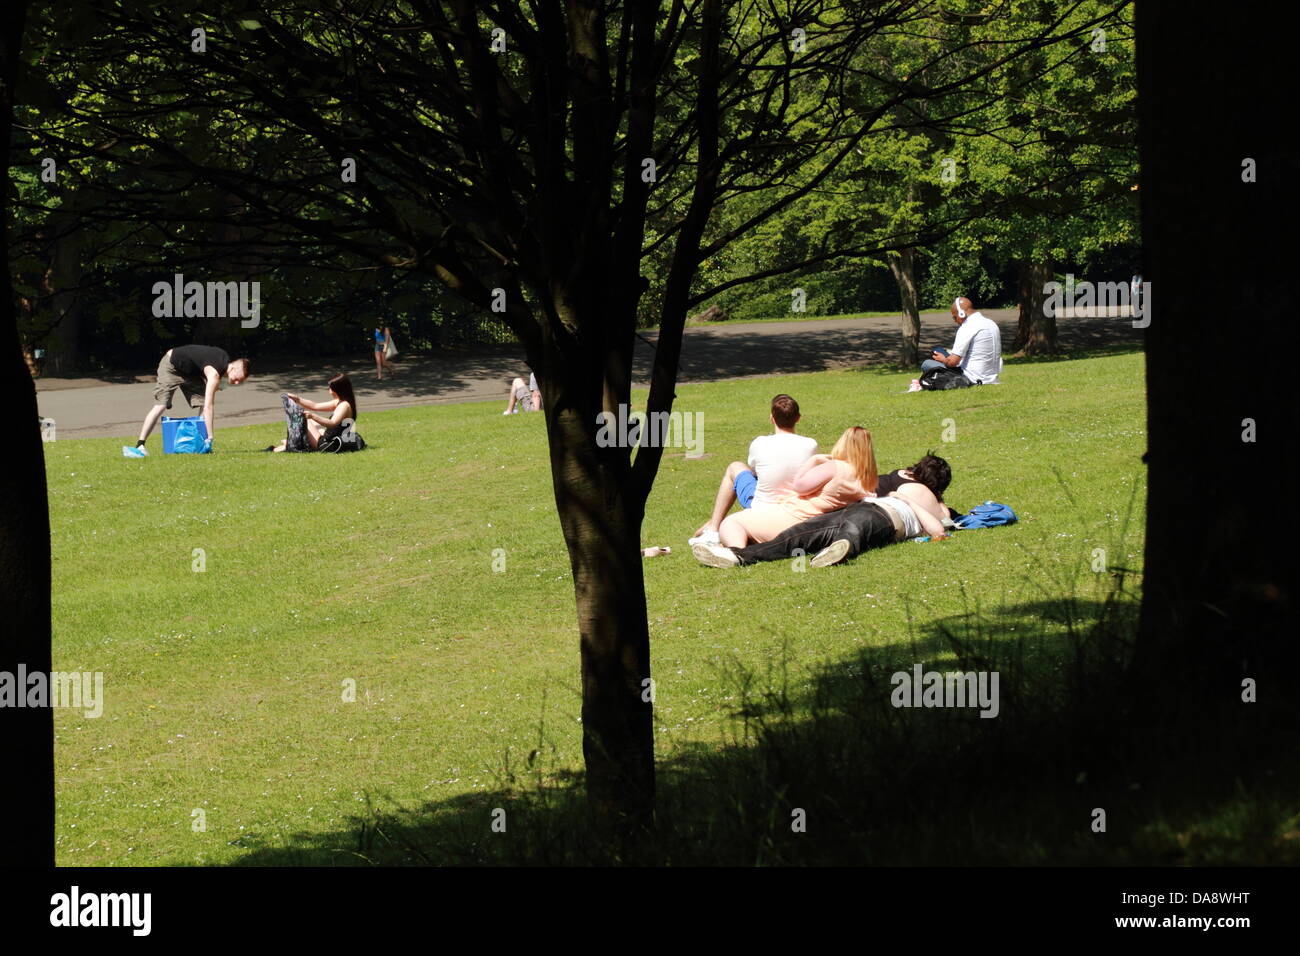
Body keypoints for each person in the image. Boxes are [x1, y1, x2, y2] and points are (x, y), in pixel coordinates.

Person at [692, 454, 955, 569]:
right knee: (799, 536)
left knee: (853, 529)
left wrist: (904, 499)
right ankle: (737, 557)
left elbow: (938, 530)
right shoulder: (919, 493)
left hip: (881, 516)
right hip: (858, 508)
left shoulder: (908, 492)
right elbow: (942, 522)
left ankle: (840, 549)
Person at [713, 425, 877, 548]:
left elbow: (799, 486)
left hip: (794, 516)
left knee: (731, 523)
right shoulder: (868, 478)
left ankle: (738, 553)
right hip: (813, 523)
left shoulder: (835, 466)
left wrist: (813, 461)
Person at [689, 393, 818, 546]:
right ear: (798, 418)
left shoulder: (760, 443)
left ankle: (714, 528)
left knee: (735, 467)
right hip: (796, 506)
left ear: (772, 418)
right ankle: (715, 526)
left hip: (763, 506)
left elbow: (755, 472)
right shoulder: (810, 445)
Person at [123, 344, 250, 457]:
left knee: (202, 401)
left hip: (189, 373)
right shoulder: (215, 374)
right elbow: (209, 407)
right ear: (232, 368)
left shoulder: (223, 362)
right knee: (161, 405)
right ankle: (140, 445)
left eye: (241, 381)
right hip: (171, 365)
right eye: (238, 378)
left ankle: (202, 445)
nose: (237, 382)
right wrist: (211, 436)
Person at [914, 296, 1003, 387]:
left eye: (955, 317)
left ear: (961, 313)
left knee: (927, 364)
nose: (955, 321)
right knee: (939, 350)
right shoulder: (991, 323)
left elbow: (953, 363)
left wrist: (943, 359)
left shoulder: (967, 327)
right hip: (991, 378)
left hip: (971, 378)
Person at [269, 373, 365, 452]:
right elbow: (315, 406)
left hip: (327, 444)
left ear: (339, 389)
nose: (329, 391)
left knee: (301, 418)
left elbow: (332, 423)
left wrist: (312, 416)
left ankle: (290, 444)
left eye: (331, 389)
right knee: (314, 424)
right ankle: (290, 443)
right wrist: (297, 399)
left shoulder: (344, 405)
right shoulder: (342, 402)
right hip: (332, 438)